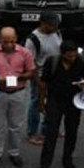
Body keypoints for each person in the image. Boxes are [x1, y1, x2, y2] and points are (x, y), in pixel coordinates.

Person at [37, 41, 84, 168]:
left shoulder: (82, 61)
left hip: (74, 101)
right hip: (55, 100)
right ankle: (45, 165)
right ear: (62, 54)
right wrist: (41, 101)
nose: (72, 58)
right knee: (51, 133)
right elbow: (44, 83)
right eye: (69, 57)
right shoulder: (52, 62)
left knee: (72, 131)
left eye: (74, 56)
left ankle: (67, 160)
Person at [0, 27, 36, 168]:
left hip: (18, 91)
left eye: (12, 41)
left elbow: (31, 72)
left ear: (16, 39)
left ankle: (14, 152)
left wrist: (19, 77)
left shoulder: (25, 52)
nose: (9, 45)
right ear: (0, 39)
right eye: (6, 42)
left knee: (16, 126)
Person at [25, 12, 62, 146]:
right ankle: (32, 132)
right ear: (43, 23)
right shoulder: (33, 40)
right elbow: (30, 63)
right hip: (40, 75)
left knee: (52, 103)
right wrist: (38, 81)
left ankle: (48, 129)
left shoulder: (56, 33)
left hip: (56, 74)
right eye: (52, 25)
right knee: (36, 102)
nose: (55, 28)